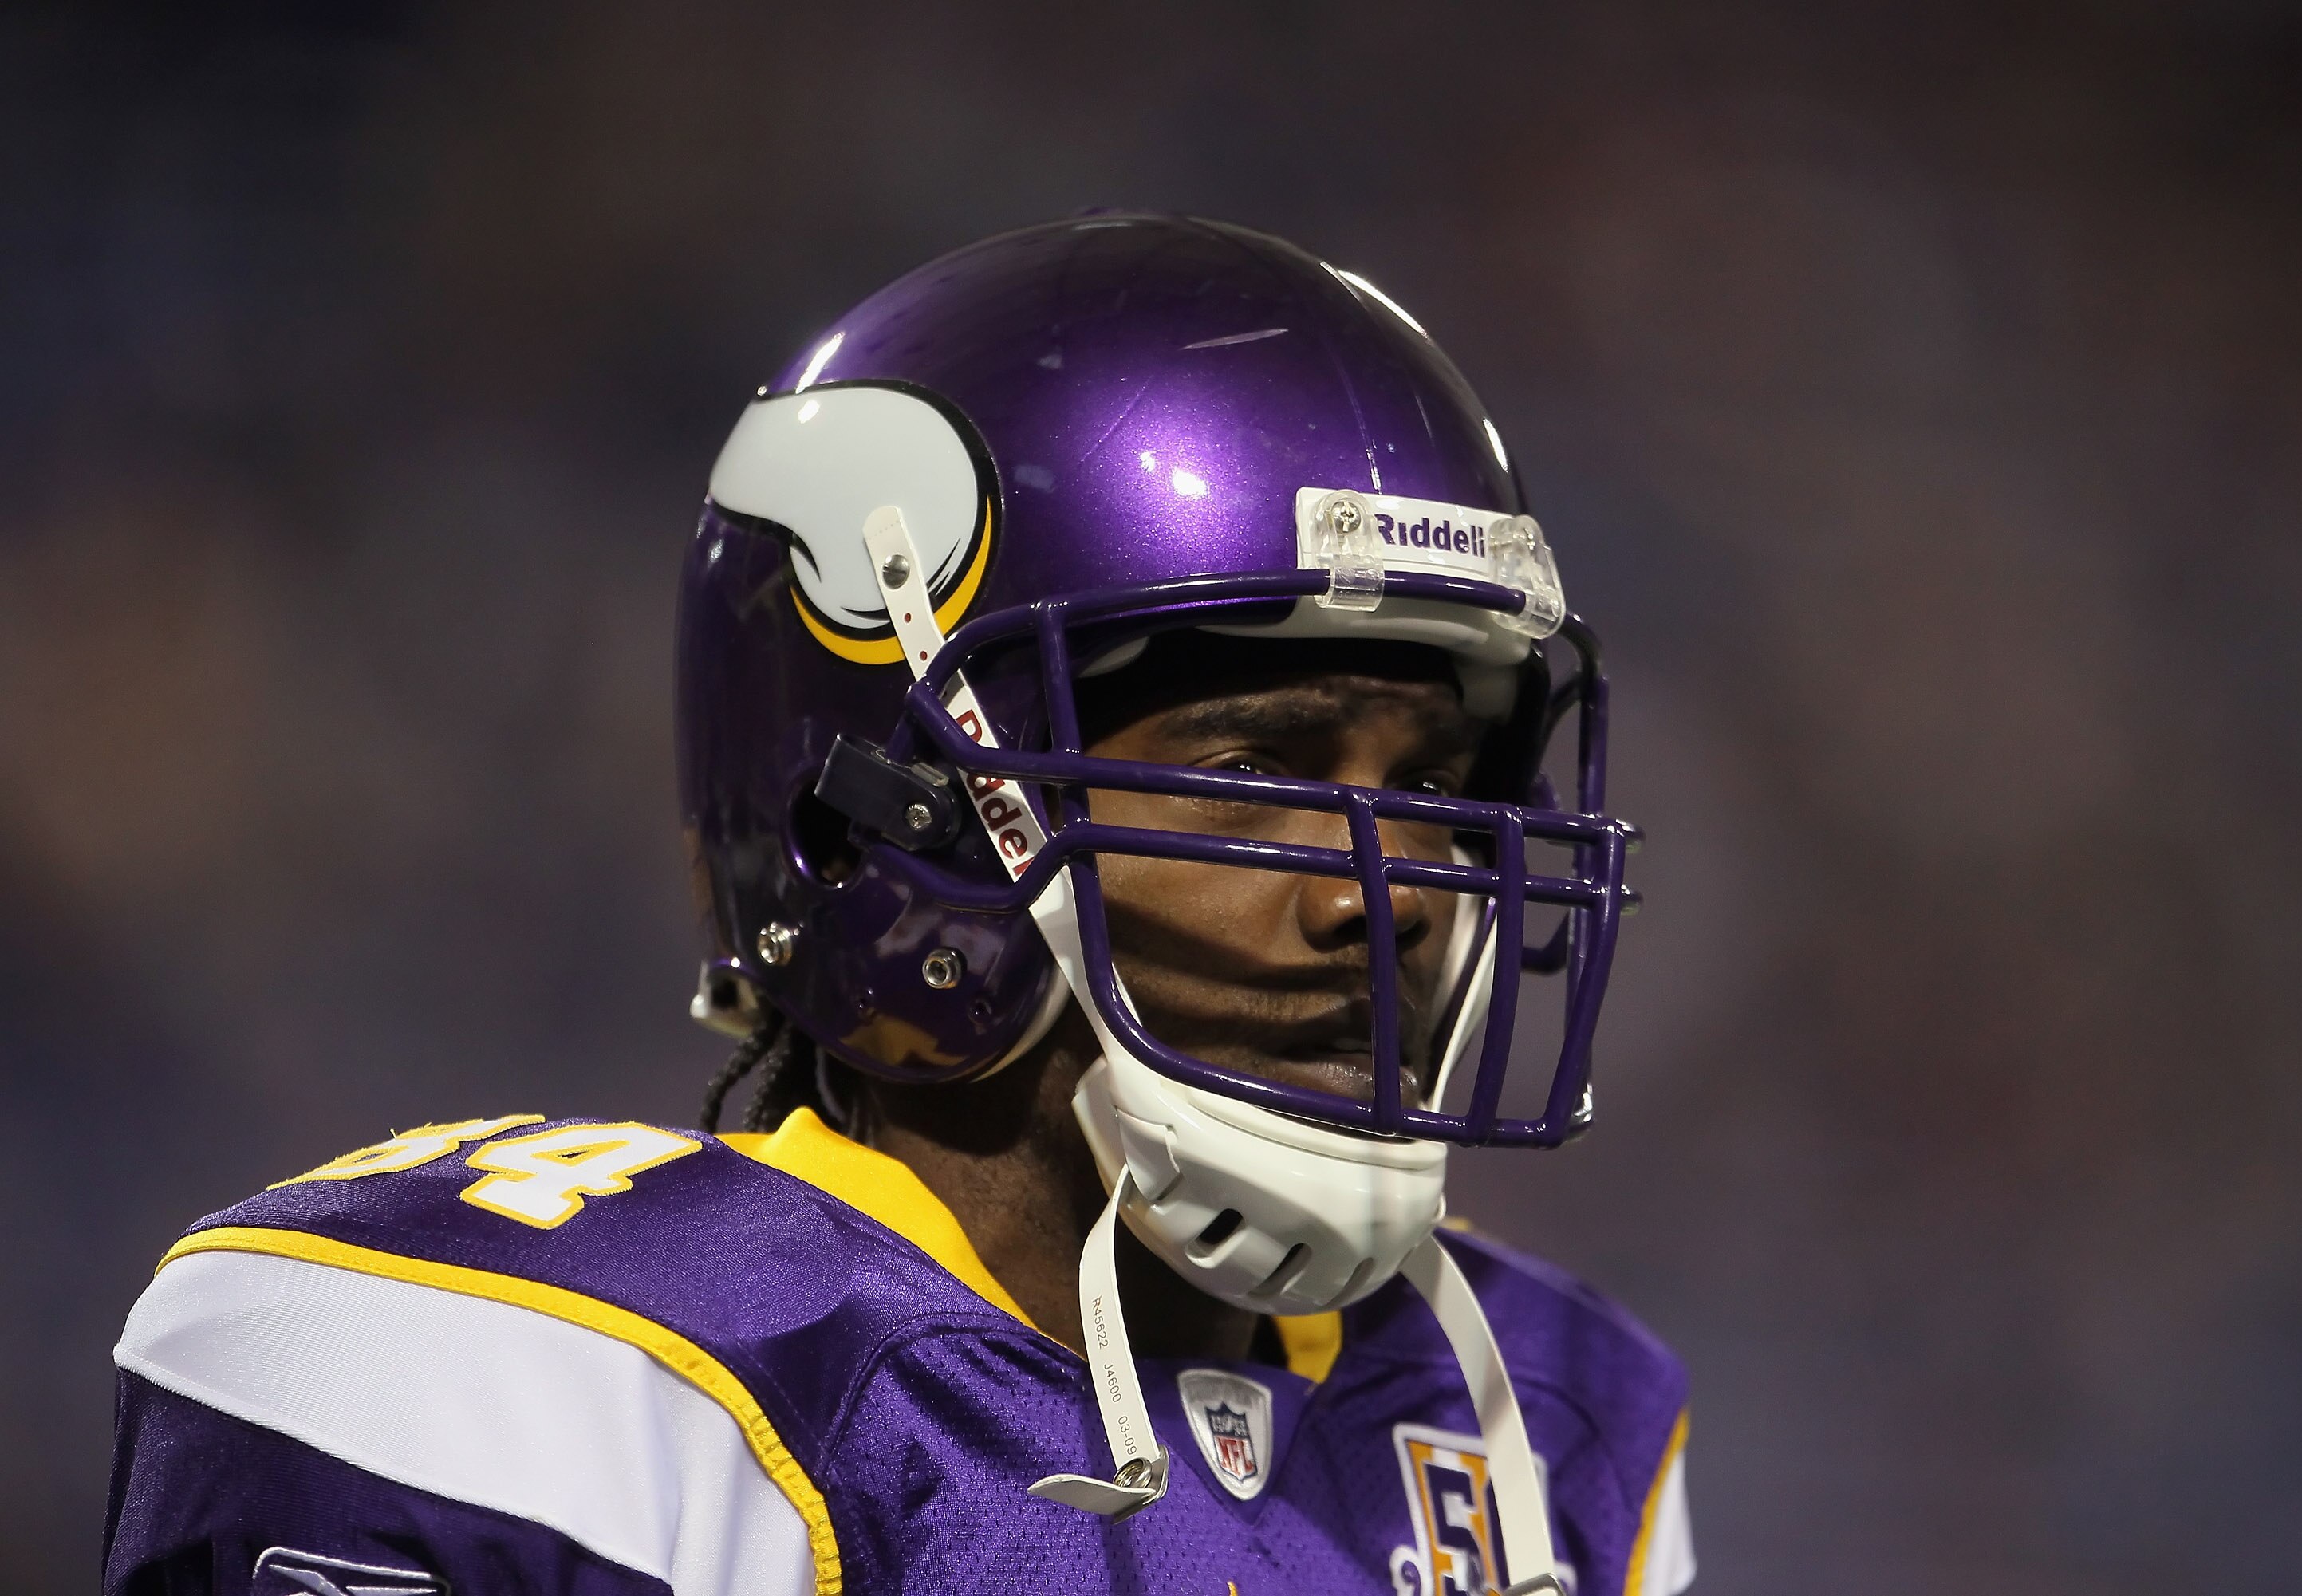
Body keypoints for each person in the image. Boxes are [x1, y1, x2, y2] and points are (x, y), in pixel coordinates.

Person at [106, 213, 1693, 1596]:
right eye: (1261, 766)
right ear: (887, 819)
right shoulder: (546, 1378)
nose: (1401, 886)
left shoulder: (1552, 1418)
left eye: (1435, 781)